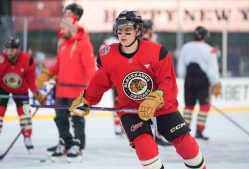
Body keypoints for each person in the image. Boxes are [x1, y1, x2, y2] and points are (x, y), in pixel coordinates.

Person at [69, 11, 207, 169]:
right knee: (145, 147)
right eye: (120, 31)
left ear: (138, 31)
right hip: (130, 108)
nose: (123, 35)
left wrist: (157, 97)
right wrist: (87, 99)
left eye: (128, 31)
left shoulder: (157, 52)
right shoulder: (109, 55)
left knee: (186, 144)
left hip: (161, 106)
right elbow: (100, 81)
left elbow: (167, 82)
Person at [35, 3, 96, 161]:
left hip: (77, 91)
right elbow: (58, 65)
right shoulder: (63, 44)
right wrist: (46, 74)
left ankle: (78, 144)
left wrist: (94, 91)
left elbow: (90, 68)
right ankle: (65, 142)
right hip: (61, 90)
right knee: (60, 118)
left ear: (72, 27)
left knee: (77, 119)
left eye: (64, 28)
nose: (61, 30)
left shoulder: (83, 43)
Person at [177, 26, 221, 140]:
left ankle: (184, 131)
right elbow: (212, 69)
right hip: (203, 80)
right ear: (206, 36)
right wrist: (216, 82)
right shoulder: (209, 49)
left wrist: (183, 75)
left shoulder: (185, 47)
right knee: (204, 106)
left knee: (188, 106)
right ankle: (199, 131)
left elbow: (181, 68)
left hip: (189, 79)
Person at [0, 37, 44, 149]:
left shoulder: (27, 60)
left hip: (21, 90)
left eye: (12, 50)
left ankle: (27, 136)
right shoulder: (1, 59)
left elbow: (31, 80)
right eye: (8, 50)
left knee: (25, 112)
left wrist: (37, 94)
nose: (9, 52)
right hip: (3, 88)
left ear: (18, 50)